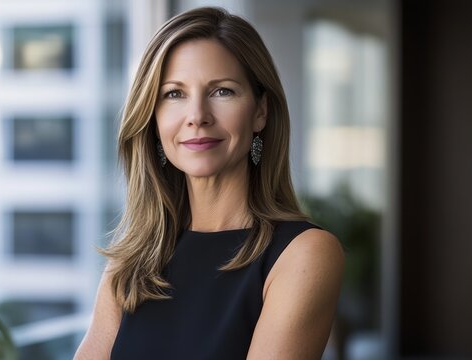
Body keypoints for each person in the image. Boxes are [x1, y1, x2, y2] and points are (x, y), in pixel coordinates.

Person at [74, 6, 344, 360]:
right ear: (152, 118)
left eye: (222, 92)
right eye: (174, 94)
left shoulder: (304, 254)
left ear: (260, 111)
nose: (197, 116)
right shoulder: (131, 262)